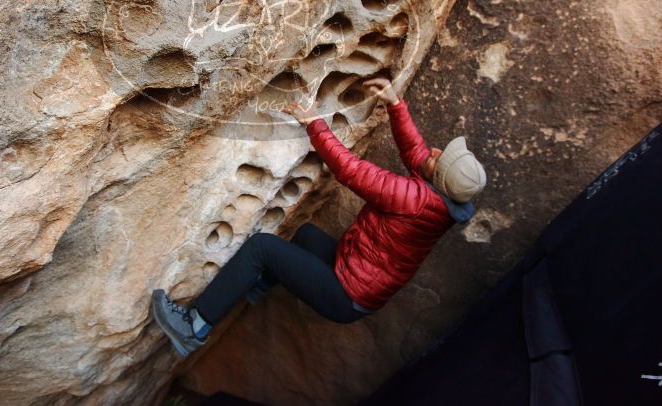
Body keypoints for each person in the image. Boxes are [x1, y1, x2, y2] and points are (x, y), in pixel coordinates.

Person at [151, 78, 486, 357]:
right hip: (353, 271)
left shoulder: (414, 200)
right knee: (308, 235)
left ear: (438, 179)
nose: (437, 151)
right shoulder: (441, 201)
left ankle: (194, 327)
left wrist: (314, 125)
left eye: (439, 159)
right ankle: (257, 284)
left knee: (261, 248)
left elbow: (350, 170)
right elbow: (419, 155)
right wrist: (396, 105)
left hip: (347, 296)